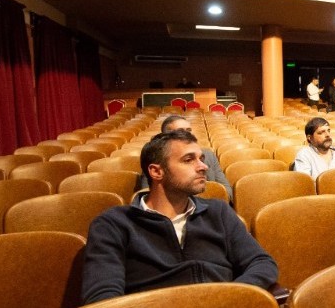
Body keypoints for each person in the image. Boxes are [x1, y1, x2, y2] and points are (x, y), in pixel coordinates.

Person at [81, 130, 277, 304]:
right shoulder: (113, 224)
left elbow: (261, 262)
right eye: (188, 159)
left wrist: (229, 298)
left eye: (201, 158)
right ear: (156, 171)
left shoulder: (218, 211)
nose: (203, 166)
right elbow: (102, 297)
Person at [138, 116, 232, 200]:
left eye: (189, 130)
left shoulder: (209, 155)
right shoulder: (156, 157)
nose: (187, 134)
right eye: (180, 131)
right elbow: (149, 194)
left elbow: (226, 191)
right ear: (166, 136)